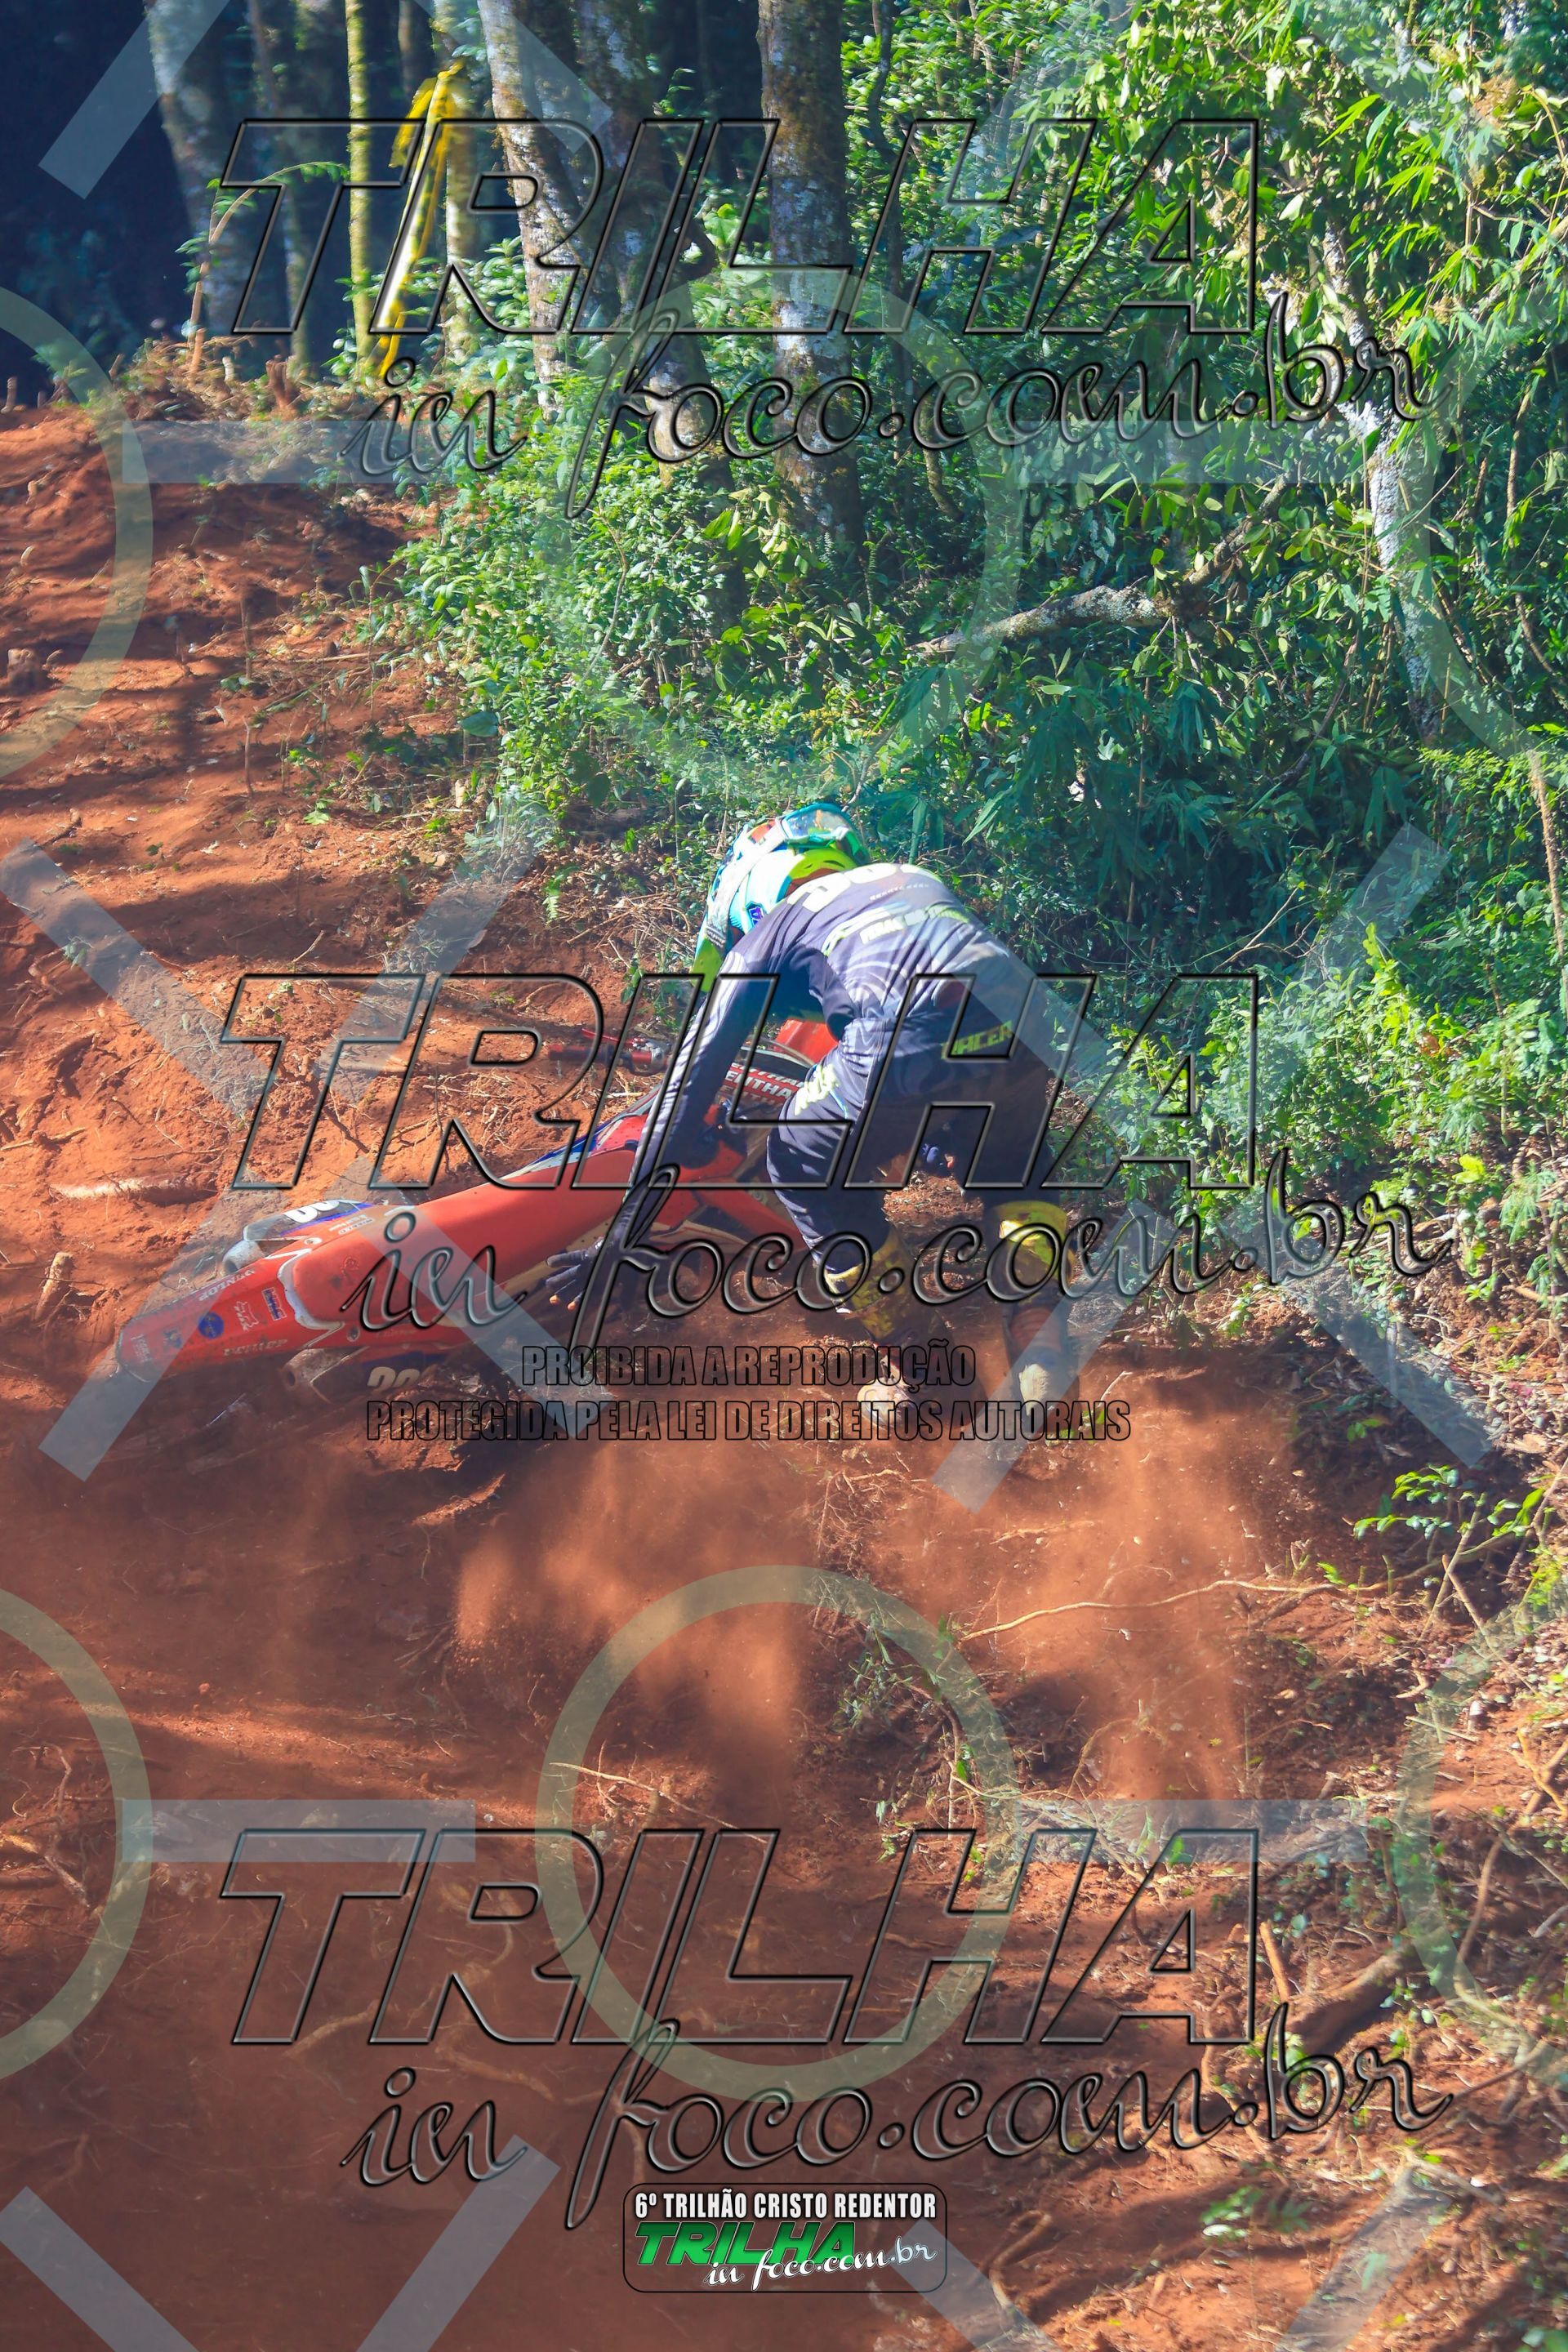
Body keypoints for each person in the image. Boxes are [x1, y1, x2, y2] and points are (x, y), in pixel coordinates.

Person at [644, 802, 1071, 1397]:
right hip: (1025, 1020)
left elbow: (689, 1086)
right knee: (1013, 1164)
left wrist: (625, 1233)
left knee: (798, 1161)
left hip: (906, 1037)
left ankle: (929, 1373)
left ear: (750, 899)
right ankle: (1039, 1332)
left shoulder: (771, 931)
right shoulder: (908, 877)